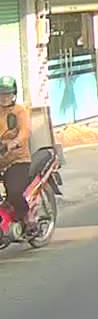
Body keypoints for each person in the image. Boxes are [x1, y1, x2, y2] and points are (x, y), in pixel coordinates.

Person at [0, 75, 33, 228]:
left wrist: (14, 143)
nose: (4, 97)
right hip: (1, 159)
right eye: (1, 94)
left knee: (14, 191)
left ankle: (27, 217)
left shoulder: (20, 111)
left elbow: (25, 132)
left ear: (14, 94)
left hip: (18, 159)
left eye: (8, 94)